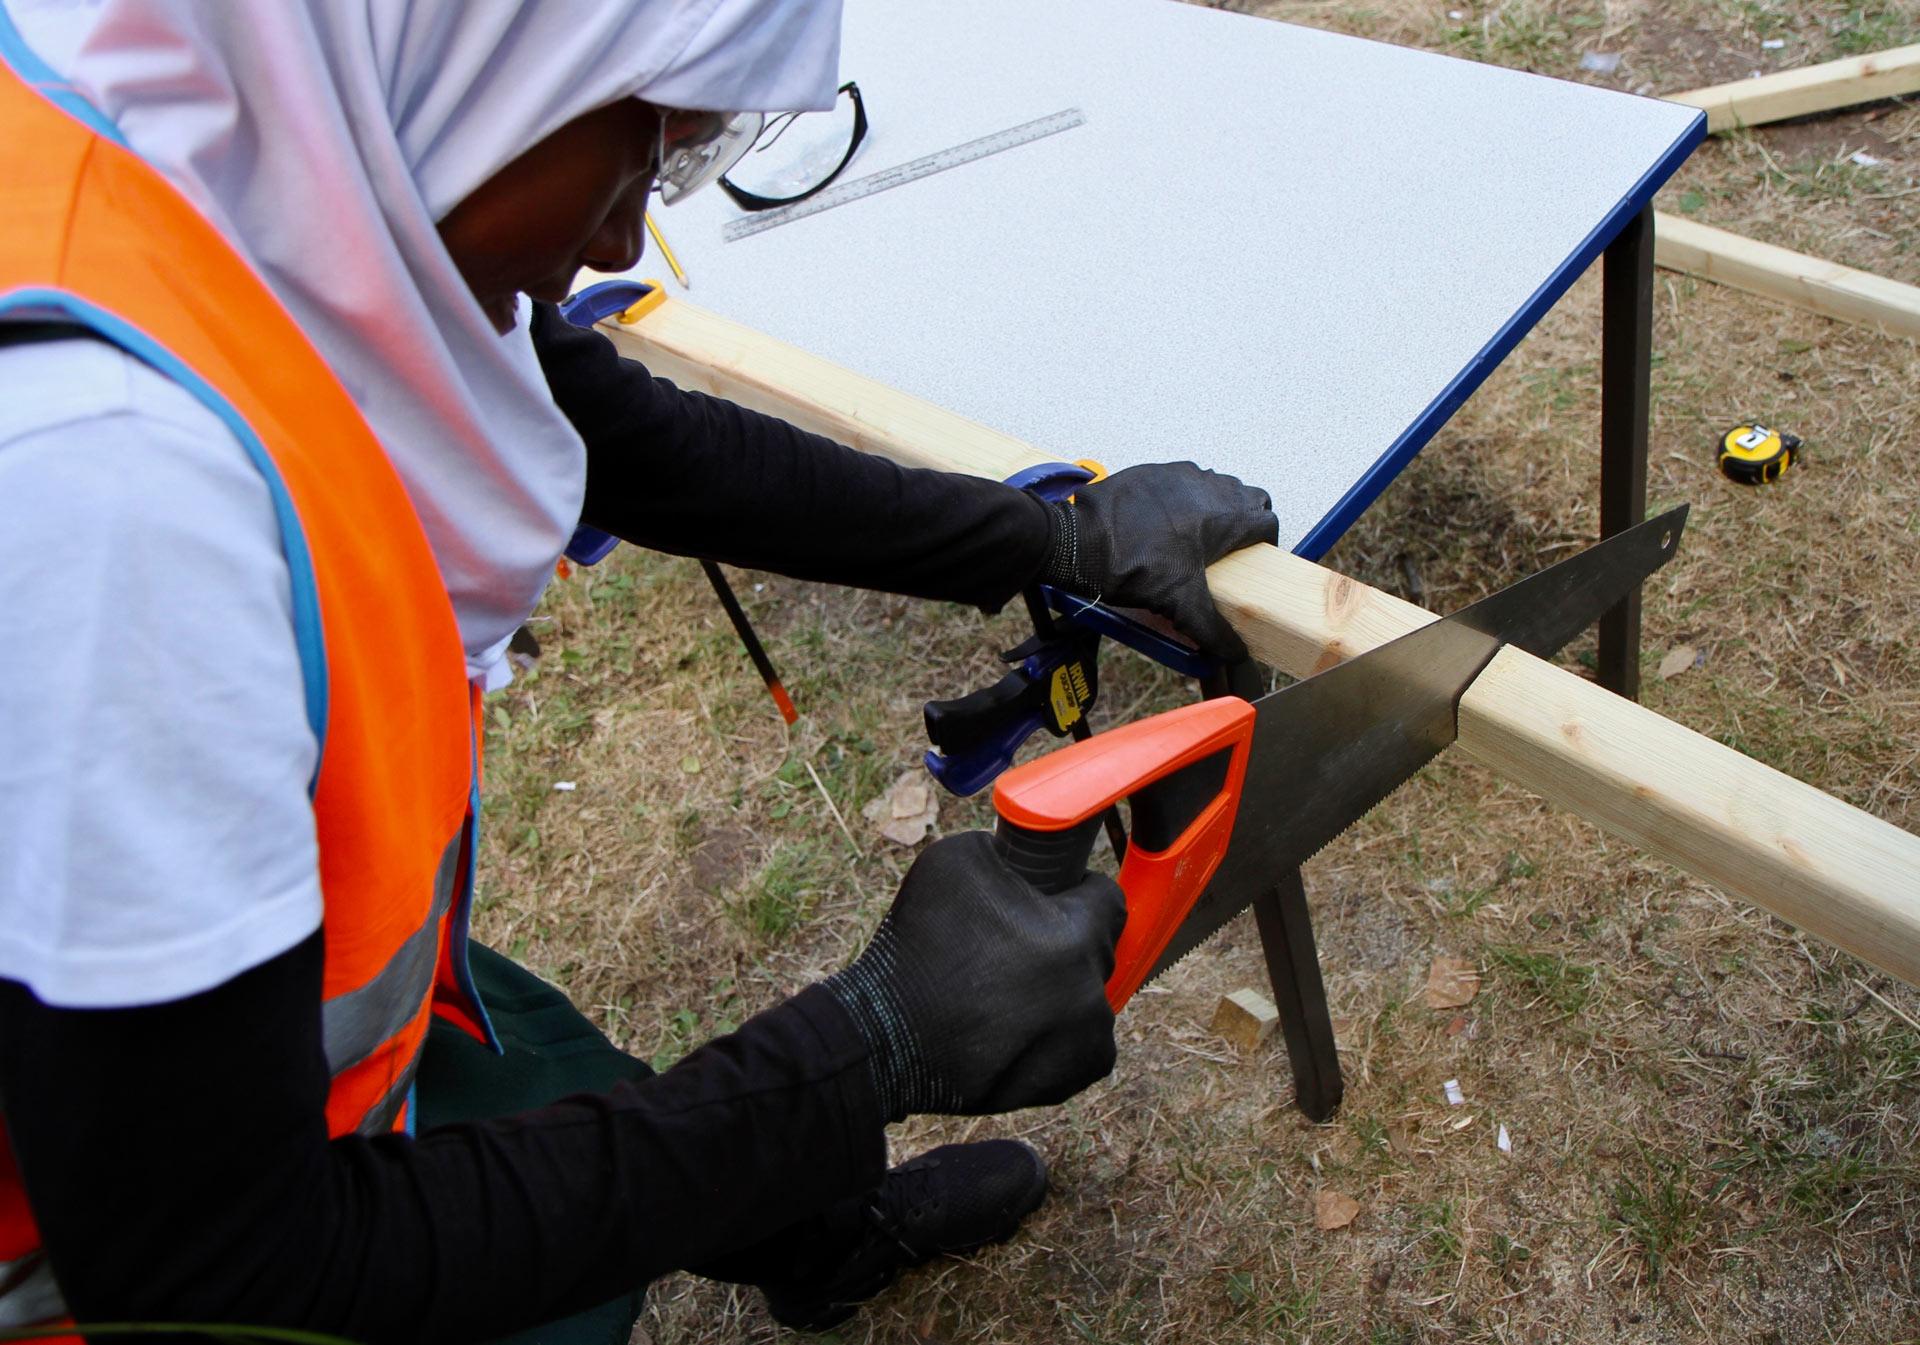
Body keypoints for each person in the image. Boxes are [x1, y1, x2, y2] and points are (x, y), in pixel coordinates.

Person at [0, 3, 1281, 1342]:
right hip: (136, 1288)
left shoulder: (252, 116)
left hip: (251, 1048)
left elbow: (613, 430)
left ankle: (819, 1239)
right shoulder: (113, 514)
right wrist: (862, 1047)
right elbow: (224, 1277)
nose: (625, 240)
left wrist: (1044, 539)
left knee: (576, 1081)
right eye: (642, 150)